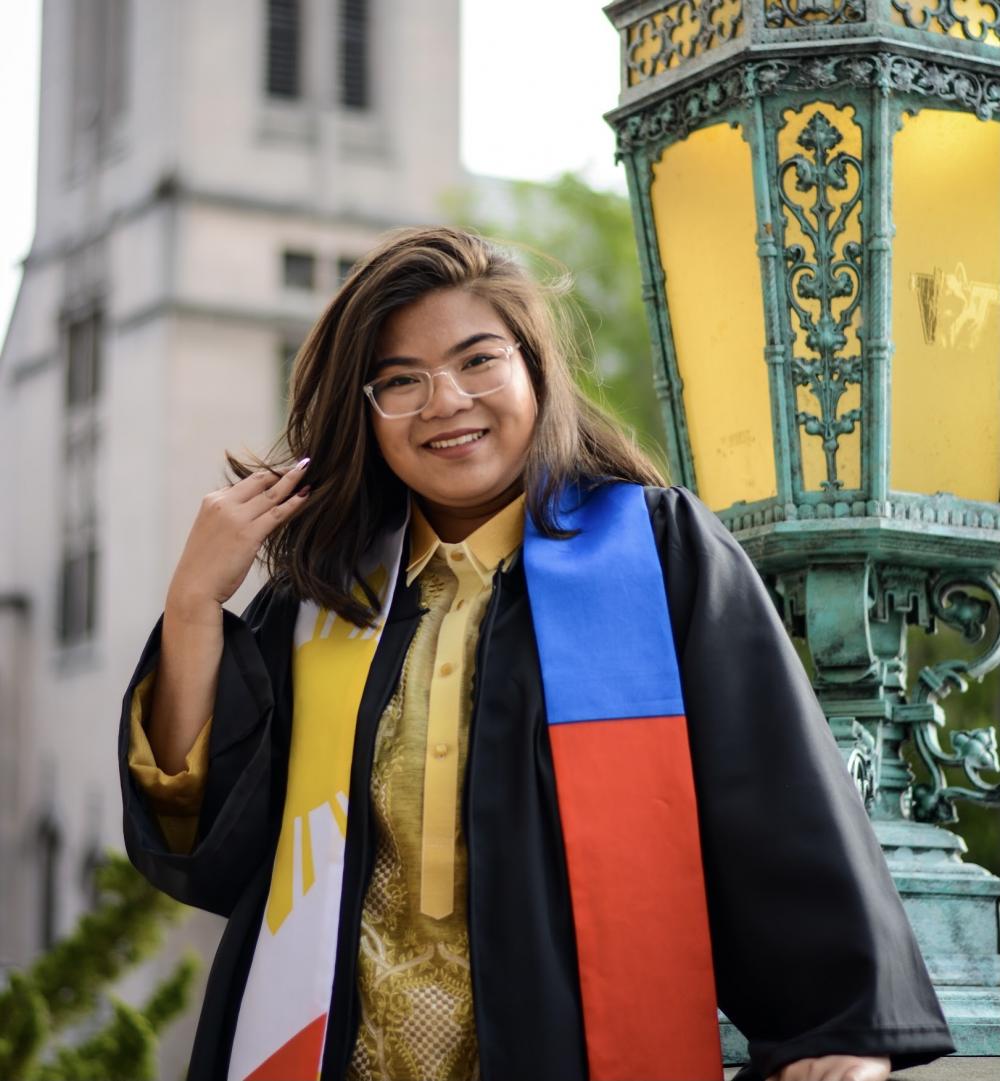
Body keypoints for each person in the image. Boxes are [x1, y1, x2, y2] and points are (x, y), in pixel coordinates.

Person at [120, 227, 954, 1081]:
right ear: (364, 413)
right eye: (400, 380)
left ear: (535, 369)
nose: (445, 401)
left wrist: (836, 1028)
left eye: (478, 360)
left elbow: (772, 793)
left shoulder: (652, 556)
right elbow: (212, 846)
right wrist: (193, 602)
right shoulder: (325, 599)